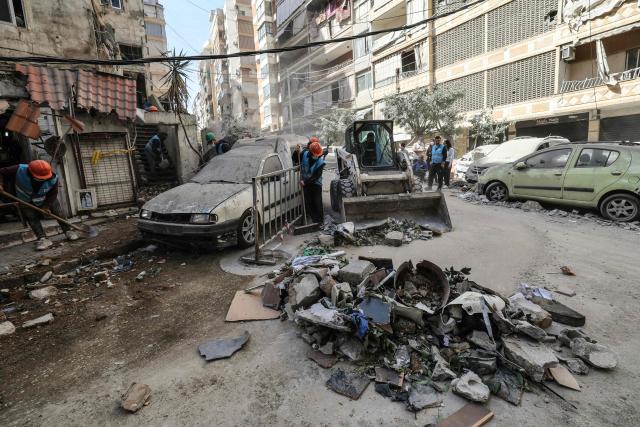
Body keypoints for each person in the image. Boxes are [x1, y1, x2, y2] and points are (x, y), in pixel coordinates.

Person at [0, 160, 78, 250]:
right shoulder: (19, 169)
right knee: (31, 217)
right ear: (30, 172)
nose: (43, 179)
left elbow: (53, 193)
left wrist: (46, 206)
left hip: (45, 197)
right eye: (40, 178)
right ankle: (42, 238)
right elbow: (1, 172)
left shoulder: (53, 178)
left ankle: (68, 231)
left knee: (58, 212)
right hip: (24, 198)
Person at [300, 141, 325, 224]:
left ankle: (320, 221)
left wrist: (305, 182)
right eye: (315, 154)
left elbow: (316, 176)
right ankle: (313, 220)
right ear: (311, 152)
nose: (317, 156)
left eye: (318, 155)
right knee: (308, 202)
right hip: (306, 183)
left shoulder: (320, 162)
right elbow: (295, 158)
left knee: (317, 202)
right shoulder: (304, 154)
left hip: (316, 183)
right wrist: (296, 151)